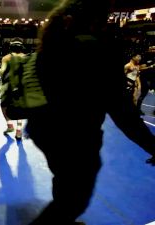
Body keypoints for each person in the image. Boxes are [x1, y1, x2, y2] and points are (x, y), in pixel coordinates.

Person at [24, 0, 155, 224]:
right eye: (101, 22)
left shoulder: (50, 47)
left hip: (43, 130)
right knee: (74, 200)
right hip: (77, 137)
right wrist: (152, 145)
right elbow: (121, 111)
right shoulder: (97, 49)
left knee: (64, 182)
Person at [0, 38, 26, 140]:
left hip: (9, 85)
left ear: (11, 47)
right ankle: (19, 131)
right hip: (22, 86)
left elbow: (2, 72)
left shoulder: (6, 58)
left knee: (3, 105)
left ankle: (9, 124)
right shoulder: (26, 57)